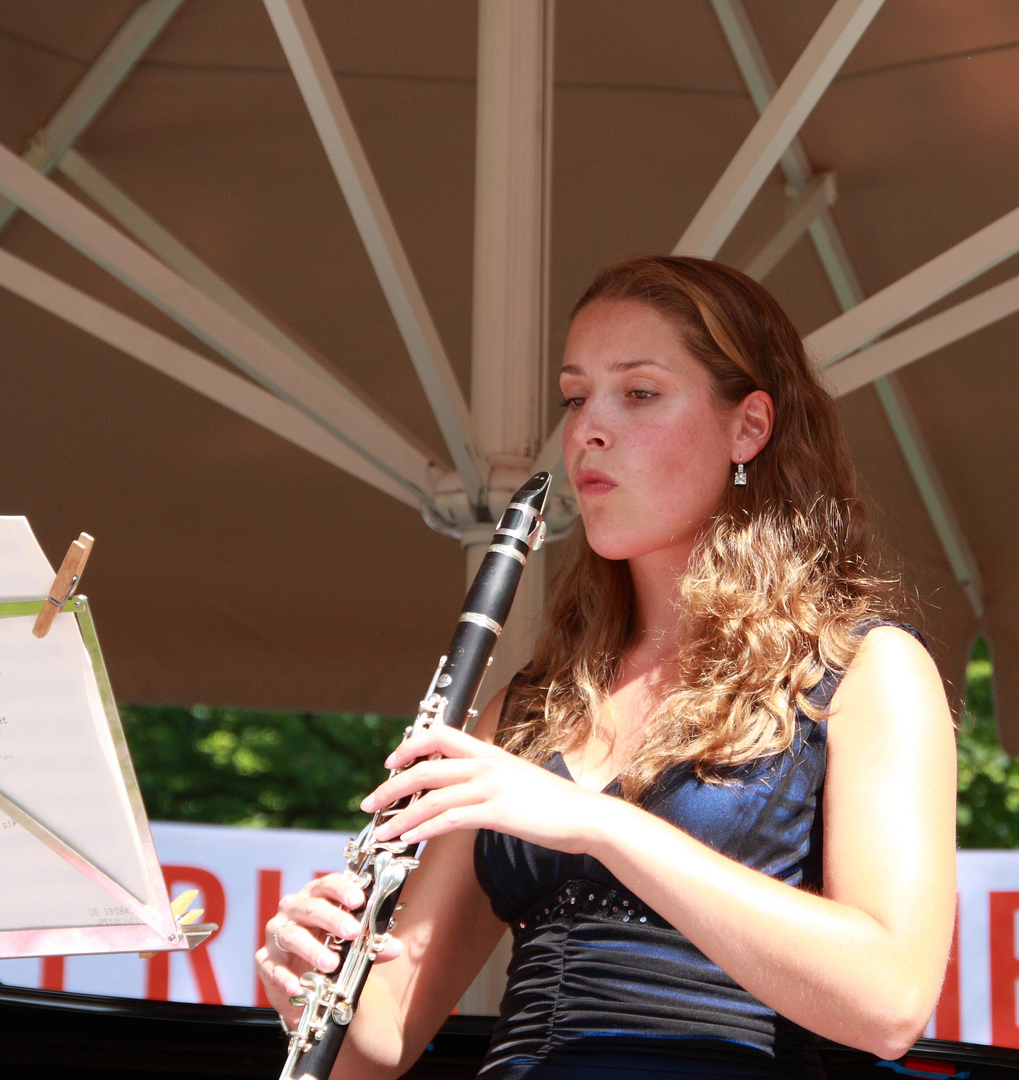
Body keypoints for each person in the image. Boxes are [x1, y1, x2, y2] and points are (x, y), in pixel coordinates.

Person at [256, 256, 957, 1079]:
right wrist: (306, 983)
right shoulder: (528, 709)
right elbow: (377, 1047)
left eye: (640, 393)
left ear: (749, 427)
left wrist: (600, 823)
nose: (589, 428)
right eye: (576, 396)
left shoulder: (866, 671)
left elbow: (890, 1002)